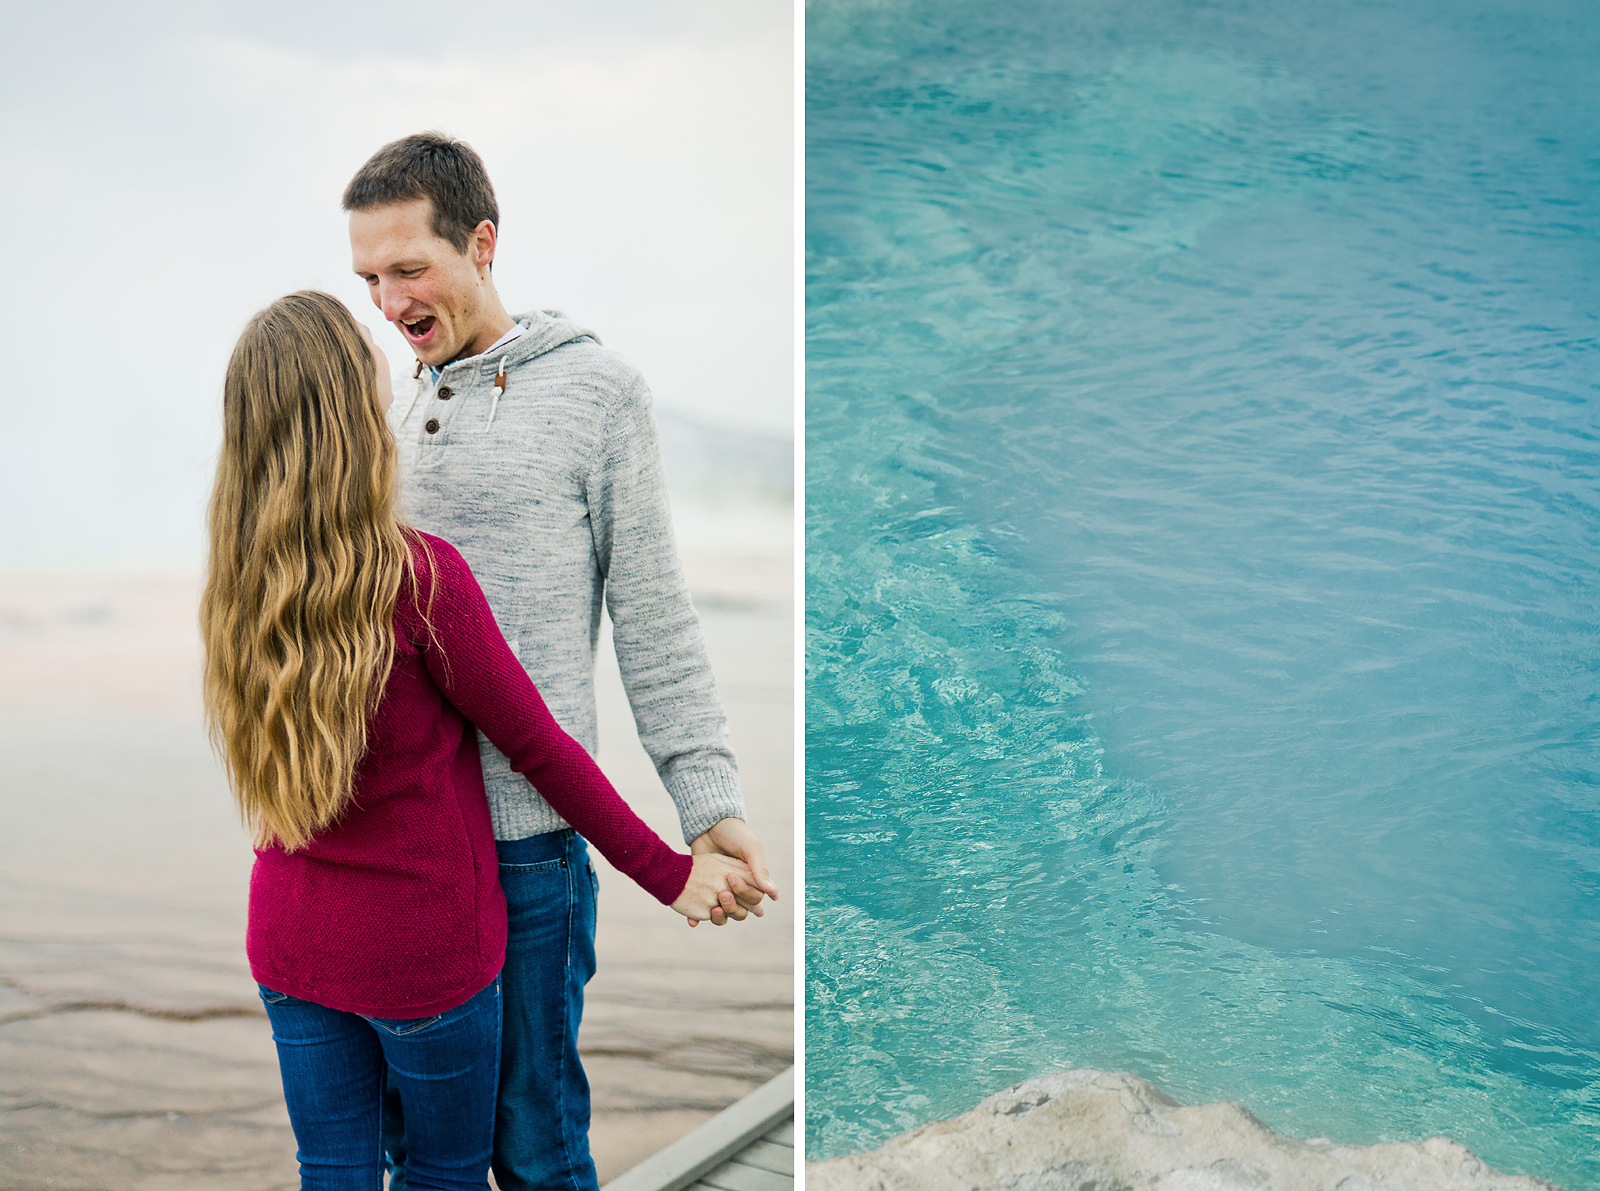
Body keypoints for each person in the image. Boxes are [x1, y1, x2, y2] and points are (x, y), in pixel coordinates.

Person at [200, 290, 752, 1190]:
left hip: (289, 941)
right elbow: (540, 749)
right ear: (350, 416)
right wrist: (669, 872)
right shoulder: (421, 581)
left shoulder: (235, 590)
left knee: (332, 1172)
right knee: (446, 1176)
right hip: (423, 951)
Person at [342, 132, 780, 1191]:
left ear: (482, 243)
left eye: (409, 269)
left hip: (529, 839)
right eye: (367, 278)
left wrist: (704, 796)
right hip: (399, 843)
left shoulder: (597, 394)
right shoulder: (384, 409)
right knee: (416, 1144)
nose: (388, 301)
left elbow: (653, 615)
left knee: (532, 1141)